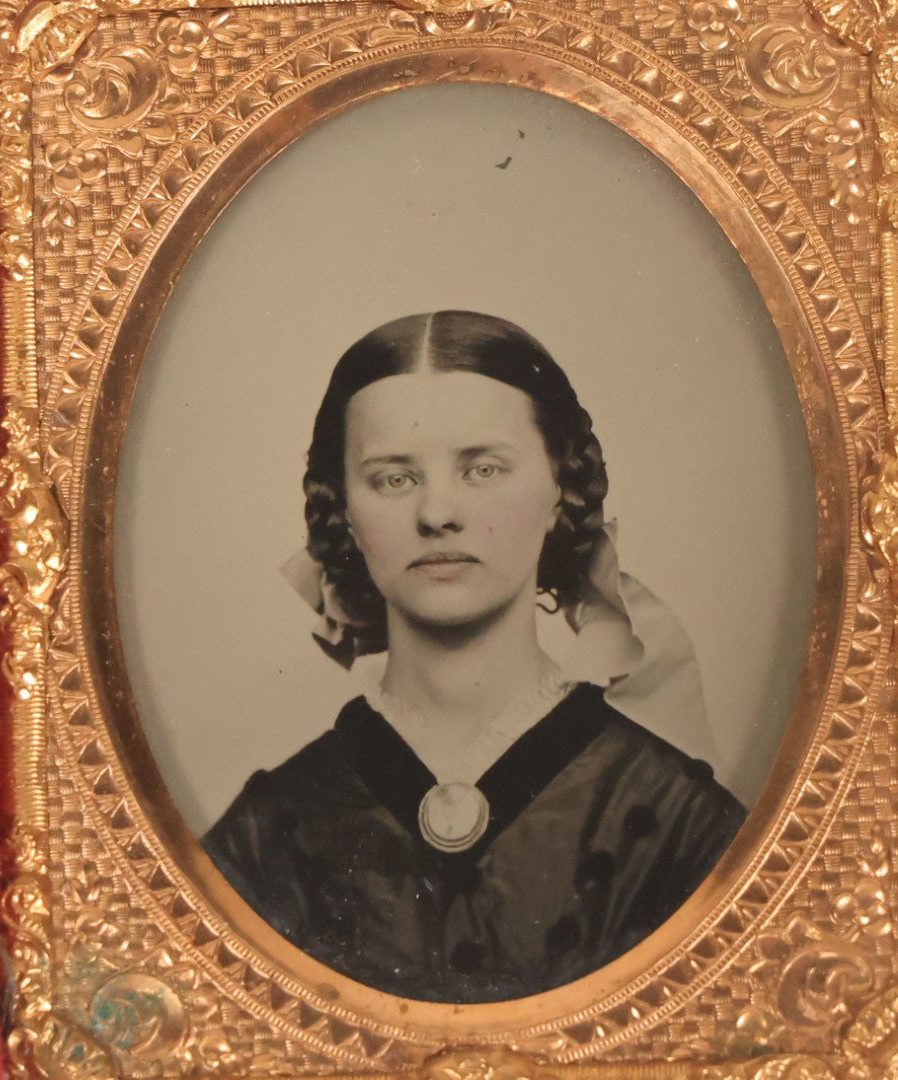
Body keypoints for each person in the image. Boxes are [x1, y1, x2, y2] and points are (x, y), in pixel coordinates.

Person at [203, 311, 746, 1003]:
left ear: (559, 489)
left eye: (483, 469)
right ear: (343, 510)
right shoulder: (265, 833)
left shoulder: (680, 823)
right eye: (394, 478)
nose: (439, 514)